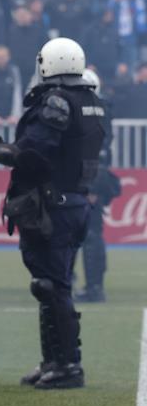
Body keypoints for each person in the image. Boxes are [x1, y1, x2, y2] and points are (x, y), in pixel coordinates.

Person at [0, 38, 106, 390]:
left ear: (47, 64)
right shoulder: (90, 100)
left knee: (53, 285)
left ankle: (68, 365)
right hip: (74, 201)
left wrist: (2, 150)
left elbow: (35, 151)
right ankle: (53, 360)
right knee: (49, 285)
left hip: (54, 205)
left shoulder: (57, 101)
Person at [76, 69, 119, 304]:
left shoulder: (90, 112)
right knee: (90, 234)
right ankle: (93, 285)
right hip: (92, 176)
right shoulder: (102, 109)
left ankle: (94, 287)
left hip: (88, 178)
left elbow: (96, 150)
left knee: (90, 235)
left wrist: (91, 186)